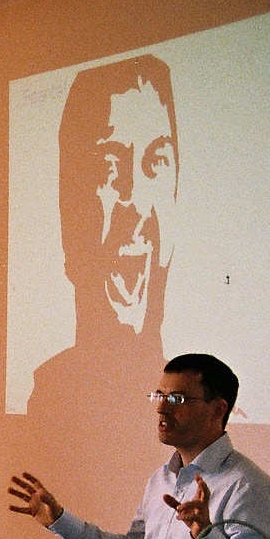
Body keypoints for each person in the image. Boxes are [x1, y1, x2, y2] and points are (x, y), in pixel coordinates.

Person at [9, 353, 270, 539]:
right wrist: (61, 520)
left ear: (217, 410)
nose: (161, 408)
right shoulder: (162, 479)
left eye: (177, 399)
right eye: (159, 396)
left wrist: (207, 536)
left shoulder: (245, 485)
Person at [29, 54, 178, 417]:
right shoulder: (48, 401)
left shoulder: (210, 418)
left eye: (157, 161)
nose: (136, 201)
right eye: (110, 165)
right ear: (67, 211)